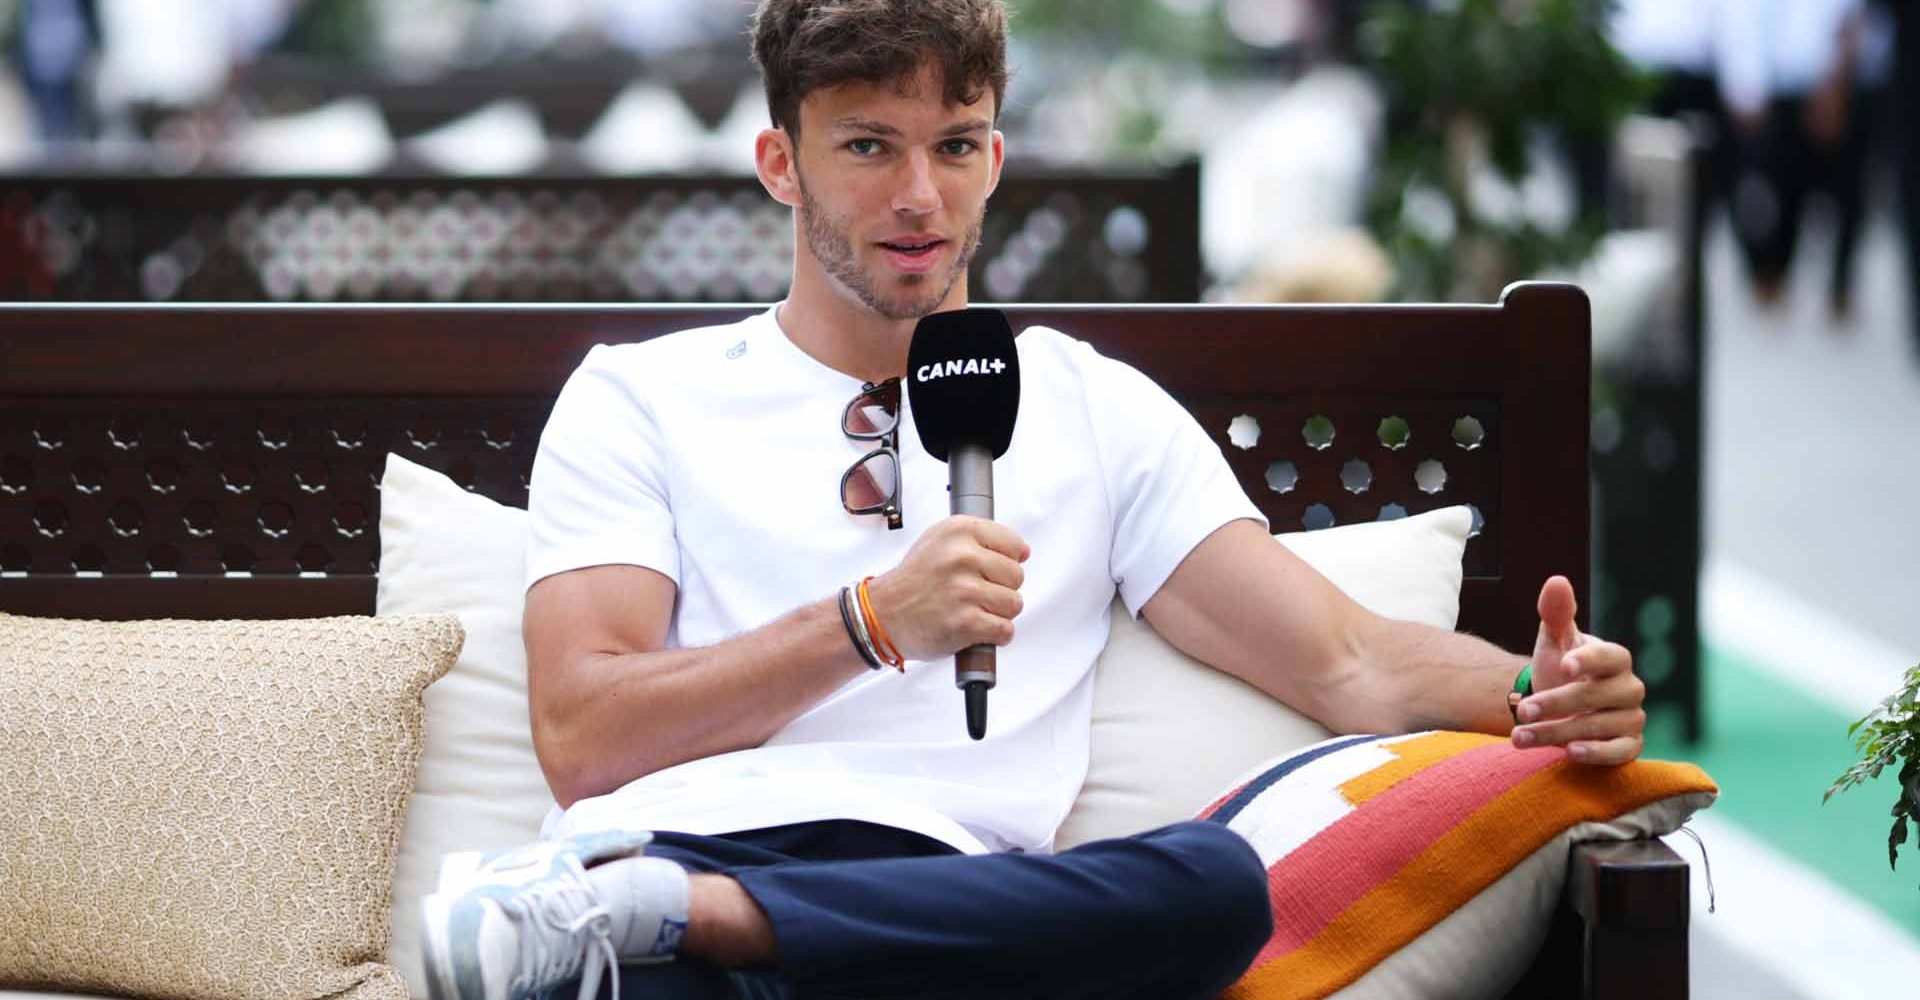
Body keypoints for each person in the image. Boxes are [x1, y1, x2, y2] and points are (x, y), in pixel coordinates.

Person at [417, 3, 1649, 999]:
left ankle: (701, 925)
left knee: (1213, 886)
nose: (919, 196)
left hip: (963, 919)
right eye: (868, 146)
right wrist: (871, 620)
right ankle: (680, 912)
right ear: (780, 165)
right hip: (684, 856)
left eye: (954, 145)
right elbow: (585, 732)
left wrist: (1539, 693)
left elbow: (1351, 663)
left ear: (994, 158)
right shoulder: (642, 396)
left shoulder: (1090, 408)